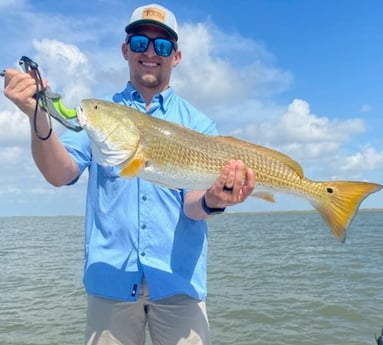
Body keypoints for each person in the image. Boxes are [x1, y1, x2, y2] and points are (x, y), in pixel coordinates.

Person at [3, 3, 255, 345]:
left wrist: (214, 200)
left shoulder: (198, 124)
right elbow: (59, 173)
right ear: (126, 50)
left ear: (176, 56)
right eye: (140, 42)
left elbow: (192, 205)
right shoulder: (101, 112)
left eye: (162, 45)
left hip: (179, 283)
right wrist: (37, 116)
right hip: (110, 283)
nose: (150, 52)